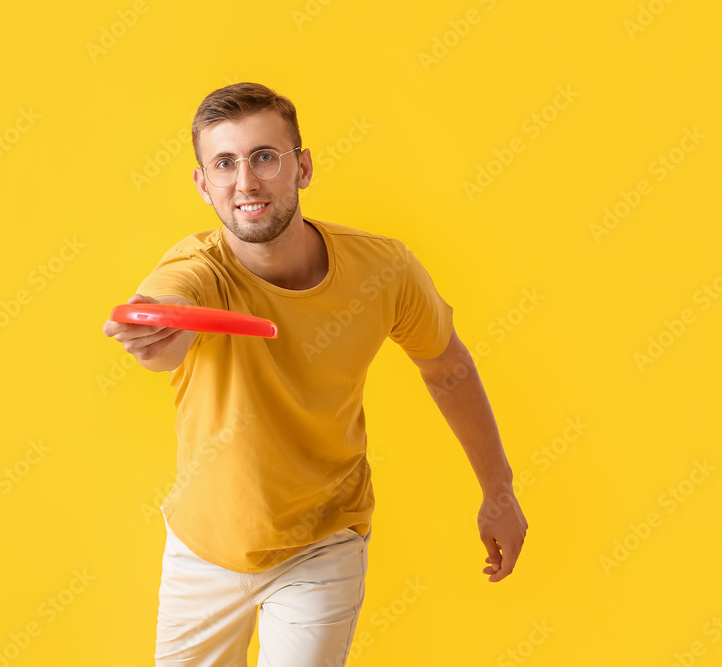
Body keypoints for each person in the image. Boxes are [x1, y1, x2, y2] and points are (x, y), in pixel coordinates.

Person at [103, 82, 528, 667]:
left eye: (265, 157)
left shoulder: (384, 271)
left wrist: (498, 489)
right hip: (205, 548)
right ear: (203, 184)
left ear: (301, 166)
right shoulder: (196, 267)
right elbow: (164, 333)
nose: (246, 182)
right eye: (224, 163)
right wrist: (148, 332)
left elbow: (446, 365)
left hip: (322, 541)